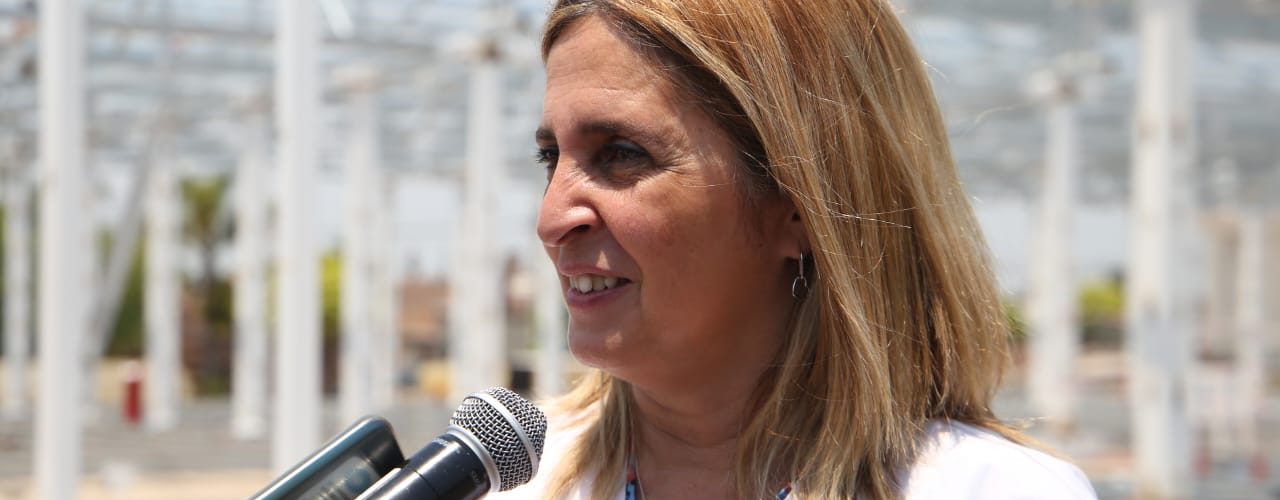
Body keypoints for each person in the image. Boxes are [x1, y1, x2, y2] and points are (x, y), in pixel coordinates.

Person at [496, 0, 1098, 498]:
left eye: (623, 154)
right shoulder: (508, 485)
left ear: (803, 204)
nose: (551, 220)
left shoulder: (993, 489)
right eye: (550, 158)